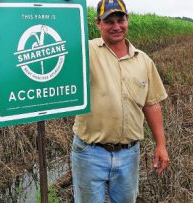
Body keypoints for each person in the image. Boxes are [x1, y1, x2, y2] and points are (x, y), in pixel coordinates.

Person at [70, 0, 170, 202]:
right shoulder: (84, 51)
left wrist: (161, 145)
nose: (116, 26)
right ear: (98, 23)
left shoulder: (143, 60)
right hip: (89, 153)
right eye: (109, 21)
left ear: (127, 20)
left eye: (120, 19)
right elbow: (57, 36)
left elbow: (152, 104)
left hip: (128, 154)